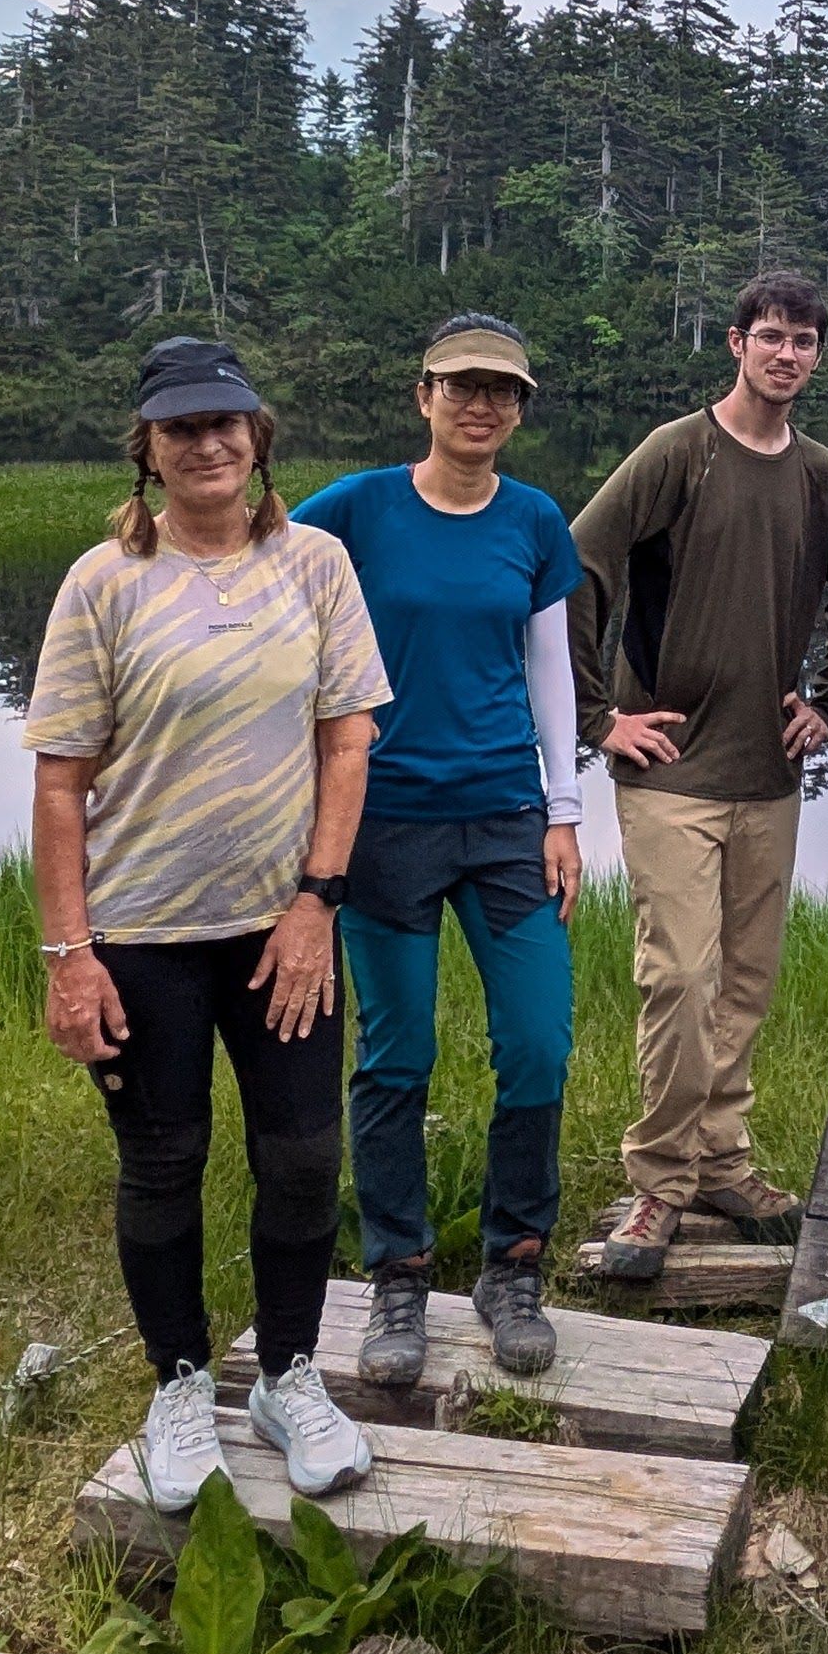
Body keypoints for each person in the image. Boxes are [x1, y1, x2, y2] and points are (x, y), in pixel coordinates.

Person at [26, 334, 388, 1515]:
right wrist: (69, 958)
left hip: (282, 925)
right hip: (140, 933)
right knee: (163, 1160)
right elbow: (59, 783)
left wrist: (317, 902)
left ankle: (287, 1374)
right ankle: (180, 1383)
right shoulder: (101, 583)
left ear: (258, 436)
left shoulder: (316, 564)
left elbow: (348, 739)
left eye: (226, 423)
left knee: (301, 1156)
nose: (207, 443)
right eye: (180, 428)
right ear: (147, 448)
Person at [294, 315, 585, 1387]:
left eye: (502, 392)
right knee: (396, 1052)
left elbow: (550, 668)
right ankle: (399, 1273)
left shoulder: (535, 519)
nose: (481, 406)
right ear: (423, 395)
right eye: (461, 386)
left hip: (508, 820)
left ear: (517, 410)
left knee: (537, 1042)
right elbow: (262, 555)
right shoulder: (358, 508)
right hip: (384, 825)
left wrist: (565, 812)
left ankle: (514, 1264)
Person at [566, 271, 828, 1282]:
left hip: (769, 774)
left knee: (744, 980)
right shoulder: (677, 453)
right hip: (671, 772)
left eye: (804, 341)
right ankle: (657, 1177)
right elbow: (577, 567)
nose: (787, 355)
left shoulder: (821, 473)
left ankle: (723, 1158)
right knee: (678, 977)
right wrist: (600, 717)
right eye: (770, 337)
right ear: (735, 343)